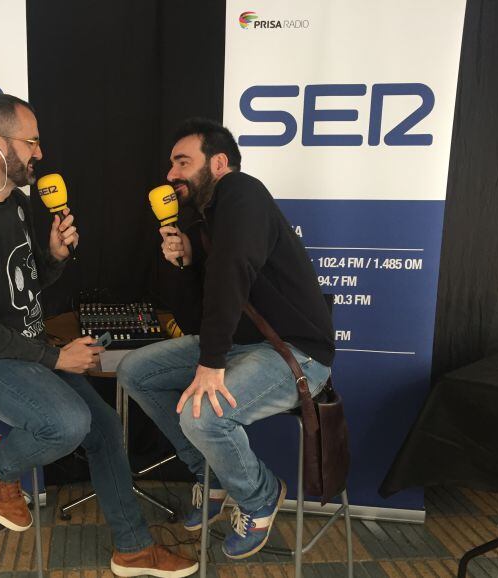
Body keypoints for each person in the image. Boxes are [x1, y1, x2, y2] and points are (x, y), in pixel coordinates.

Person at [0, 93, 197, 577]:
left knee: (104, 424)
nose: (39, 154)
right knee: (67, 423)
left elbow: (20, 291)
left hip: (15, 347)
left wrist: (53, 258)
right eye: (32, 143)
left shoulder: (16, 205)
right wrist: (55, 358)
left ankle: (132, 548)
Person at [118, 118, 335, 559]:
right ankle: (211, 476)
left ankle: (259, 494)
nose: (171, 174)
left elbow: (231, 277)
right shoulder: (206, 220)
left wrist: (211, 362)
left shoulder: (242, 192)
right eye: (171, 164)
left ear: (218, 163)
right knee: (134, 371)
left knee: (202, 418)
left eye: (182, 162)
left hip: (295, 353)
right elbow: (196, 317)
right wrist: (183, 264)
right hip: (240, 345)